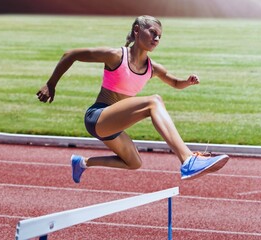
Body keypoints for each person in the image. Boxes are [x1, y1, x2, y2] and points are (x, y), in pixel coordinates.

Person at [36, 15, 229, 183]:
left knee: (133, 163)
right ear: (137, 30)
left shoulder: (153, 68)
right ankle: (187, 159)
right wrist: (51, 84)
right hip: (98, 116)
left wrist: (187, 82)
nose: (157, 38)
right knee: (154, 101)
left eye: (160, 36)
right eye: (153, 32)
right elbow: (71, 55)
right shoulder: (115, 56)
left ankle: (83, 163)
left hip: (114, 126)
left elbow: (175, 83)